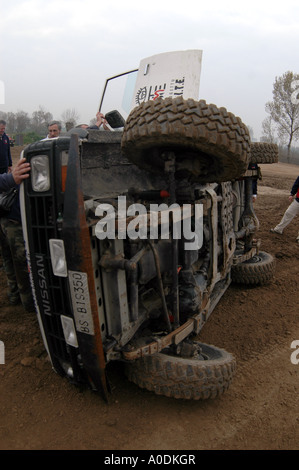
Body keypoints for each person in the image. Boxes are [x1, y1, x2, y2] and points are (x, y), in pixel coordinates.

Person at [0, 158, 35, 310]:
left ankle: (14, 294)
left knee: (8, 258)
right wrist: (10, 178)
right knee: (20, 262)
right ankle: (28, 302)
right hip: (12, 222)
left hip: (4, 217)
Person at [270, 176, 299, 242]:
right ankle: (278, 229)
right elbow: (296, 184)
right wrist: (292, 194)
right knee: (288, 213)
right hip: (298, 200)